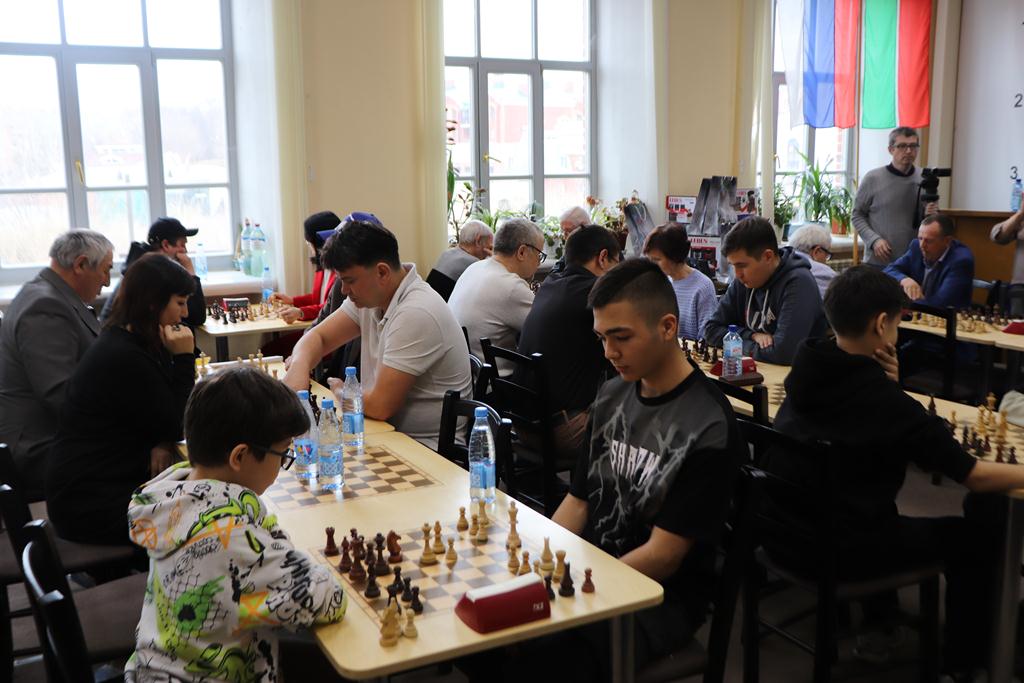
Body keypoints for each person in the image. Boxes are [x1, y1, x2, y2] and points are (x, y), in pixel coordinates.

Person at [763, 265, 1024, 676]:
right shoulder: (884, 403)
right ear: (881, 323)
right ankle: (963, 662)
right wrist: (893, 394)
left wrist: (890, 386)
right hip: (840, 550)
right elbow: (972, 475)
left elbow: (869, 420)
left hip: (783, 536)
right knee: (979, 530)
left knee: (867, 497)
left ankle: (881, 625)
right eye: (898, 323)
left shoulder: (807, 368)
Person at [548, 258, 744, 679]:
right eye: (602, 338)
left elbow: (664, 556)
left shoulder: (706, 422)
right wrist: (541, 562)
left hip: (658, 599)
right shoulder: (611, 395)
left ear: (668, 327)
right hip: (593, 570)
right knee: (494, 640)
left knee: (545, 663)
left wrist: (574, 586)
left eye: (621, 337)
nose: (609, 352)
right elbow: (578, 502)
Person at [125, 366, 347, 682]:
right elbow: (327, 598)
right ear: (239, 456)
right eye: (283, 454)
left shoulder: (172, 500)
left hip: (152, 670)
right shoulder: (230, 537)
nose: (283, 465)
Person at [46, 253, 196, 546]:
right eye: (180, 303)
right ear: (153, 303)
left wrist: (161, 439)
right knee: (204, 515)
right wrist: (184, 358)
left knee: (195, 490)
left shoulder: (129, 340)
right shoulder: (124, 355)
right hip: (90, 505)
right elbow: (178, 423)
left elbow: (160, 411)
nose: (185, 313)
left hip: (96, 487)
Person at [283, 219, 472, 450]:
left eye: (349, 281)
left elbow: (381, 406)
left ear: (382, 272)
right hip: (383, 433)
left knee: (317, 460)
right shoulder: (372, 296)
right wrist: (299, 368)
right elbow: (318, 338)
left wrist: (341, 392)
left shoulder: (416, 311)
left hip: (424, 449)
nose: (343, 291)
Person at [0, 230, 113, 500]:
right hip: (40, 446)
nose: (108, 281)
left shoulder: (45, 293)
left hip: (49, 434)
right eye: (106, 270)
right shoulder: (45, 306)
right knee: (148, 458)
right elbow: (60, 395)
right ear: (81, 264)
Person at [514, 225, 621, 460]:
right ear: (603, 258)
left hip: (522, 426)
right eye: (617, 263)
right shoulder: (598, 293)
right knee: (645, 421)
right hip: (561, 432)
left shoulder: (550, 284)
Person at [703, 216, 826, 365]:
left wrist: (734, 343)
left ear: (768, 256)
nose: (737, 274)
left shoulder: (799, 283)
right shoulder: (743, 281)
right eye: (732, 265)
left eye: (742, 265)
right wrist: (751, 335)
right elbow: (710, 330)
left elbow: (783, 353)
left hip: (796, 375)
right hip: (760, 371)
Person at [448, 218, 544, 373]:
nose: (539, 263)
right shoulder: (511, 286)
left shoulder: (474, 267)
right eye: (539, 255)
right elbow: (547, 330)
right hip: (497, 381)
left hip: (467, 374)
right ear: (522, 252)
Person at [100, 217, 206, 331]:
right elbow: (196, 316)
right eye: (182, 245)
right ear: (166, 245)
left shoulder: (144, 264)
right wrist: (190, 270)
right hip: (121, 336)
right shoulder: (153, 272)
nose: (185, 251)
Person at [852, 126, 938, 266]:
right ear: (891, 149)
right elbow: (857, 215)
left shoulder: (926, 178)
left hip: (913, 261)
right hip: (879, 261)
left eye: (913, 146)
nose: (908, 151)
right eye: (902, 146)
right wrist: (874, 240)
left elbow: (931, 221)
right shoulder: (873, 178)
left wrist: (931, 215)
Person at [642, 222, 718, 341]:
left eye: (657, 260)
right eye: (650, 260)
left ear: (675, 257)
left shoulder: (703, 287)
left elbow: (706, 336)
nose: (652, 265)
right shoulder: (659, 283)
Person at [883, 213, 974, 309]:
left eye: (929, 241)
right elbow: (888, 271)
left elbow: (940, 304)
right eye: (920, 238)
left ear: (947, 241)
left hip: (944, 315)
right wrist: (904, 280)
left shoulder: (961, 261)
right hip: (917, 310)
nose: (922, 245)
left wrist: (905, 304)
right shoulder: (916, 247)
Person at [268, 210, 341, 323]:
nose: (309, 247)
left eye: (308, 242)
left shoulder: (341, 272)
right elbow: (318, 298)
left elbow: (330, 308)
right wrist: (292, 300)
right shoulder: (322, 267)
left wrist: (301, 312)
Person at [428, 219, 494, 300]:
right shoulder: (474, 265)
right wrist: (496, 260)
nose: (488, 253)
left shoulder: (446, 254)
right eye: (489, 247)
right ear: (478, 241)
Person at [989, 205, 1024, 317]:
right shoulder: (1021, 219)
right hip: (1020, 288)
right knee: (1017, 325)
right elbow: (998, 236)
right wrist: (1020, 214)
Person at [788, 223, 838, 299]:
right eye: (827, 255)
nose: (826, 261)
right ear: (817, 251)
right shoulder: (825, 274)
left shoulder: (781, 263)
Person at [549, 206, 591, 277]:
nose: (565, 237)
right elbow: (554, 274)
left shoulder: (596, 252)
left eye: (569, 231)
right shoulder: (571, 250)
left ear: (585, 229)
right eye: (563, 231)